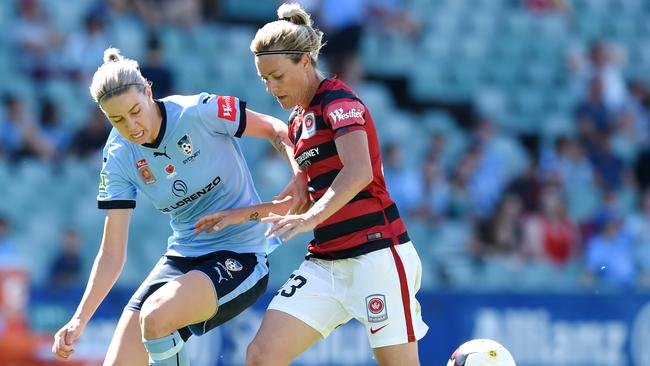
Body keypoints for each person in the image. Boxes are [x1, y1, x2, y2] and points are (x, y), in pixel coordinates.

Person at [195, 4, 428, 365]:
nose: (272, 88)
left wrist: (309, 220)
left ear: (305, 61)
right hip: (326, 262)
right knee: (260, 355)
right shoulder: (297, 121)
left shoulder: (339, 102)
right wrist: (238, 216)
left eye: (277, 76)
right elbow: (303, 201)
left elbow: (358, 172)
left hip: (377, 255)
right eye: (264, 80)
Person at [51, 47, 307, 365]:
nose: (131, 126)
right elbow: (112, 252)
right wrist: (79, 319)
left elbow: (274, 128)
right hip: (182, 258)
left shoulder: (198, 111)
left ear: (148, 91)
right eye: (116, 119)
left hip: (240, 255)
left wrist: (299, 175)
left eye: (135, 111)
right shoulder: (118, 154)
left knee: (156, 316)